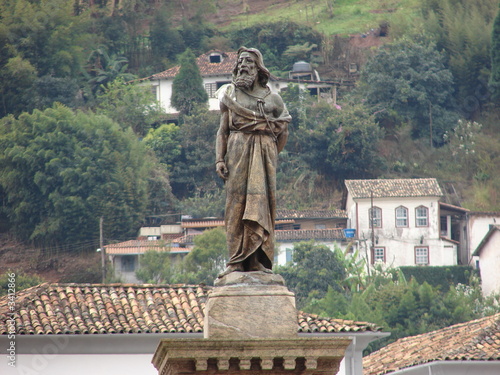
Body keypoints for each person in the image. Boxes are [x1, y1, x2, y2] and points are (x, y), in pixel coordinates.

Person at [215, 47, 291, 277]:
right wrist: (219, 158)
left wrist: (271, 153)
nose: (243, 65)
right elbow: (222, 131)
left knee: (260, 206)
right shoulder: (231, 95)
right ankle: (236, 261)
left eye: (248, 61)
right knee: (235, 206)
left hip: (264, 158)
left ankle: (257, 260)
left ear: (259, 68)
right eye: (240, 62)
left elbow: (283, 130)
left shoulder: (273, 99)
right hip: (237, 155)